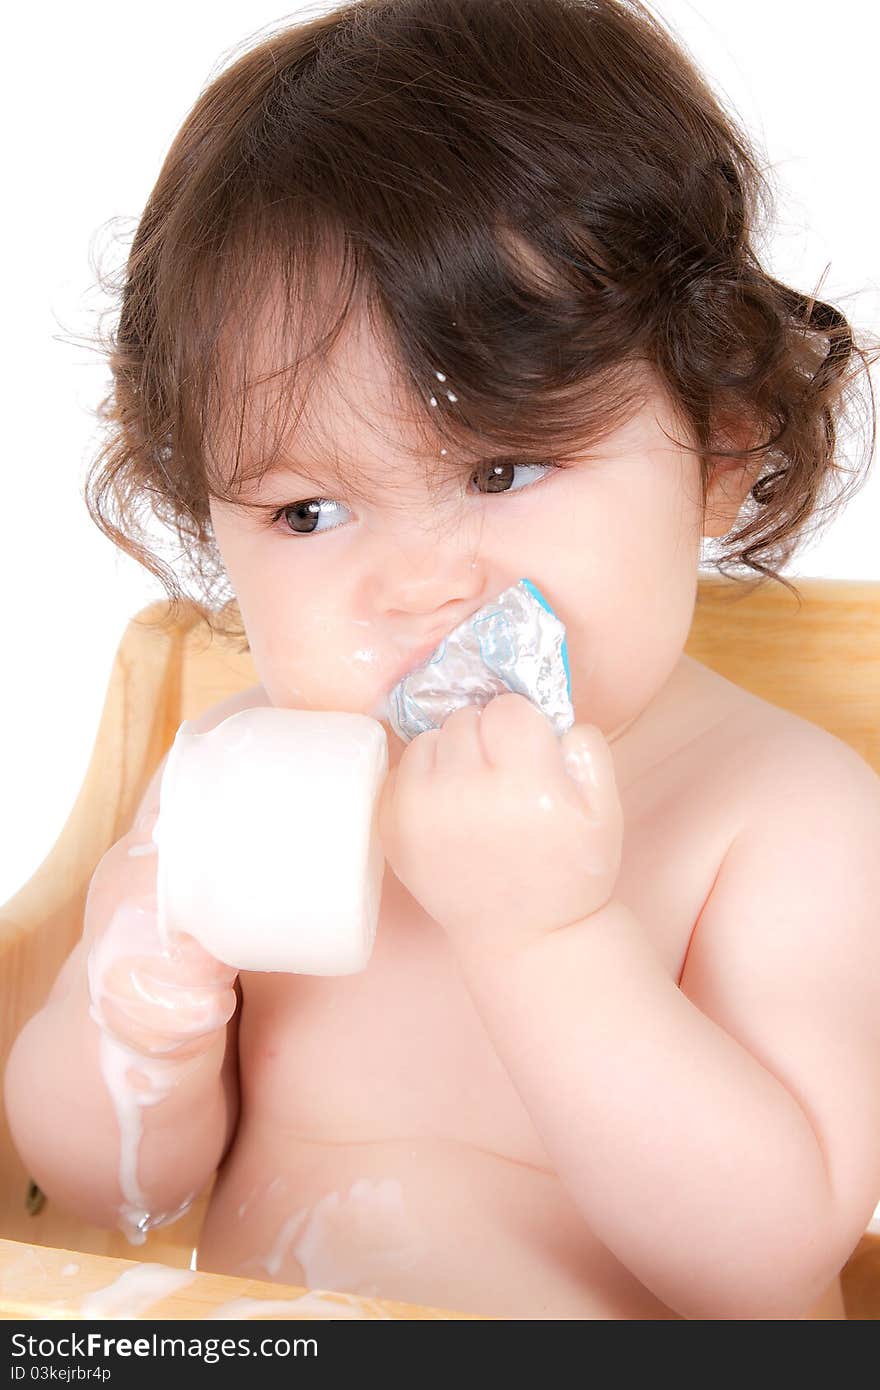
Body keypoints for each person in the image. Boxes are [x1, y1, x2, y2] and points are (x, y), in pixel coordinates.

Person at [5, 0, 880, 1319]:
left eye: (502, 467)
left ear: (721, 448)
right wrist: (138, 998)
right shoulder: (248, 776)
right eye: (309, 511)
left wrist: (546, 936)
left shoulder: (781, 816)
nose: (416, 582)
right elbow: (98, 1183)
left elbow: (764, 1260)